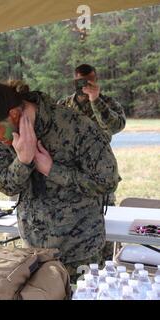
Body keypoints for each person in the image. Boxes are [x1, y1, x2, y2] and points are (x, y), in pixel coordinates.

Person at [0, 80, 121, 283]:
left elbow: (107, 181)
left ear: (13, 114)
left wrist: (51, 169)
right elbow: (3, 184)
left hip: (80, 249)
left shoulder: (74, 125)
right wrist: (23, 161)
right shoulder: (2, 136)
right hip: (34, 250)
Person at [57, 64, 126, 259]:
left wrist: (95, 100)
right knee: (73, 236)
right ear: (74, 81)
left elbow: (115, 126)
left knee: (104, 234)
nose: (85, 84)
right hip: (71, 179)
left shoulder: (107, 103)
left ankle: (105, 272)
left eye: (90, 80)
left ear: (96, 79)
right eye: (81, 81)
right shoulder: (63, 106)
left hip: (100, 175)